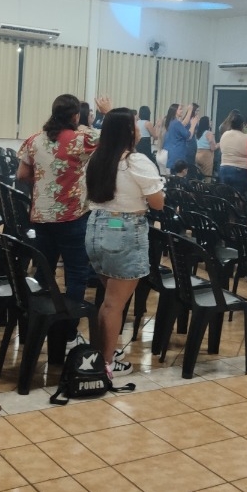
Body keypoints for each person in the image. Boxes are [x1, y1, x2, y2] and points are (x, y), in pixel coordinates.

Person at [17, 93, 112, 354]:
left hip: (41, 216)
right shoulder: (82, 139)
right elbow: (114, 137)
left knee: (43, 271)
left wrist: (46, 180)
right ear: (75, 115)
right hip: (72, 217)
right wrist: (106, 113)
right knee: (76, 274)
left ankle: (35, 325)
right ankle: (69, 333)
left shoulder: (34, 140)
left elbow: (22, 174)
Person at [84, 108, 165, 378]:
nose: (139, 129)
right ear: (129, 131)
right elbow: (158, 203)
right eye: (135, 125)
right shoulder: (135, 161)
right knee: (113, 305)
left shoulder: (97, 158)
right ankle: (105, 365)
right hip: (123, 229)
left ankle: (103, 353)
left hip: (97, 228)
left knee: (109, 301)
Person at [218, 112, 247, 195]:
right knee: (239, 196)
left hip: (224, 168)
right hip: (240, 170)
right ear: (242, 125)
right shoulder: (246, 138)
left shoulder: (224, 135)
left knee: (227, 196)